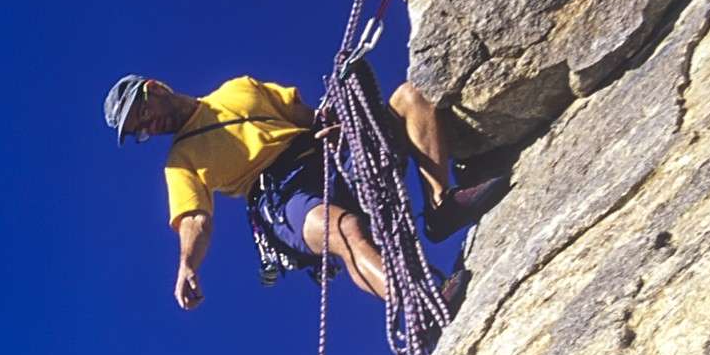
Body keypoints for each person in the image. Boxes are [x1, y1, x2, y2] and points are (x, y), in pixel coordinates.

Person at [102, 65, 506, 314]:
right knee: (344, 231)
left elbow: (303, 115)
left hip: (324, 152)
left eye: (141, 117)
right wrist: (188, 264)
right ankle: (419, 303)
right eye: (139, 132)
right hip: (280, 195)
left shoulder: (239, 89)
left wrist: (328, 127)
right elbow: (194, 218)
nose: (147, 130)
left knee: (409, 99)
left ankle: (440, 204)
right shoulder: (180, 161)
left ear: (153, 88)